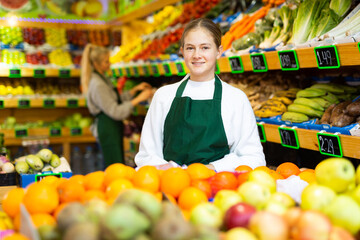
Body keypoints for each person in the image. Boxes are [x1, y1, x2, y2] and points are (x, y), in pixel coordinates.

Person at [134, 18, 265, 172]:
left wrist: (209, 168)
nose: (197, 55)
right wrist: (173, 171)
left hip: (220, 186)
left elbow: (253, 158)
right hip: (171, 185)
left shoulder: (236, 98)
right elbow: (146, 155)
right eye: (190, 48)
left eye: (205, 47)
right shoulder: (163, 96)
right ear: (182, 51)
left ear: (219, 51)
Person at [81, 44, 153, 167]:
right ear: (96, 64)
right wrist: (138, 99)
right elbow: (115, 111)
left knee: (117, 163)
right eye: (106, 62)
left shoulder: (103, 78)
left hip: (112, 126)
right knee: (114, 166)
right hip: (108, 127)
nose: (109, 64)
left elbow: (115, 99)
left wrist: (134, 90)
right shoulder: (98, 84)